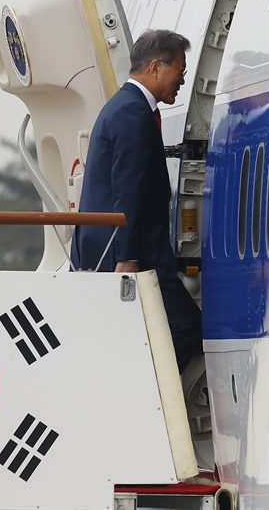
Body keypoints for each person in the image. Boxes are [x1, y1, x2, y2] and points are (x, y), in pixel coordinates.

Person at [71, 29, 201, 373]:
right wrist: (127, 259)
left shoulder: (123, 107)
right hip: (131, 255)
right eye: (180, 72)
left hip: (126, 251)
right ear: (156, 68)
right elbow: (127, 192)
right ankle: (137, 385)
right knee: (187, 326)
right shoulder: (133, 114)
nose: (183, 81)